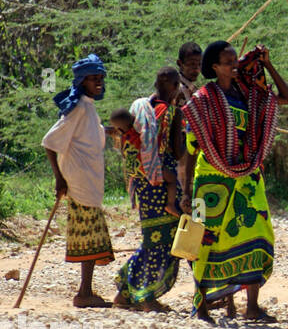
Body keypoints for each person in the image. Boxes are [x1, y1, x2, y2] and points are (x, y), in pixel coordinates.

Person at [179, 41, 288, 324]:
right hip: (210, 181)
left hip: (247, 178)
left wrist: (267, 64)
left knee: (257, 234)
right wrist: (185, 192)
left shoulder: (249, 94)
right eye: (228, 62)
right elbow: (191, 149)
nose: (234, 65)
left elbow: (286, 98)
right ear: (215, 67)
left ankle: (252, 306)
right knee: (203, 242)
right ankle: (202, 305)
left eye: (235, 61)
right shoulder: (203, 99)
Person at [41, 54, 115, 308]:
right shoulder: (79, 109)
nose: (98, 82)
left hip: (89, 183)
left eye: (101, 78)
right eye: (94, 78)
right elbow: (50, 142)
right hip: (79, 183)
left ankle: (86, 290)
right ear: (82, 81)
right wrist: (59, 179)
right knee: (89, 236)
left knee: (91, 236)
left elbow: (91, 137)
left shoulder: (89, 108)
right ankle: (84, 292)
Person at [110, 68, 185, 312]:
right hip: (162, 182)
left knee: (152, 237)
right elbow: (177, 150)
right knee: (163, 240)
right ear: (171, 84)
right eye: (177, 84)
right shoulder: (171, 112)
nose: (178, 88)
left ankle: (126, 292)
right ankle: (146, 296)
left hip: (143, 182)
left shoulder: (140, 109)